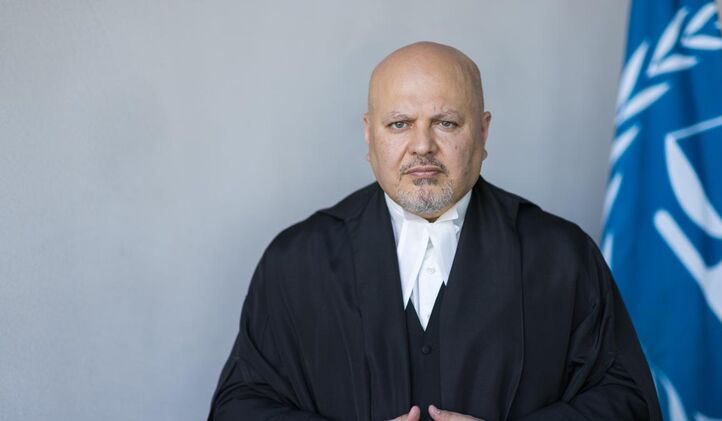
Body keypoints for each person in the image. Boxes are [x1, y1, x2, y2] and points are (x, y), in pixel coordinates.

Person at [208, 41, 662, 421]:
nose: (422, 146)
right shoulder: (296, 262)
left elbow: (629, 402)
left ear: (483, 133)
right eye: (399, 124)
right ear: (369, 135)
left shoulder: (560, 257)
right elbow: (239, 408)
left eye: (446, 123)